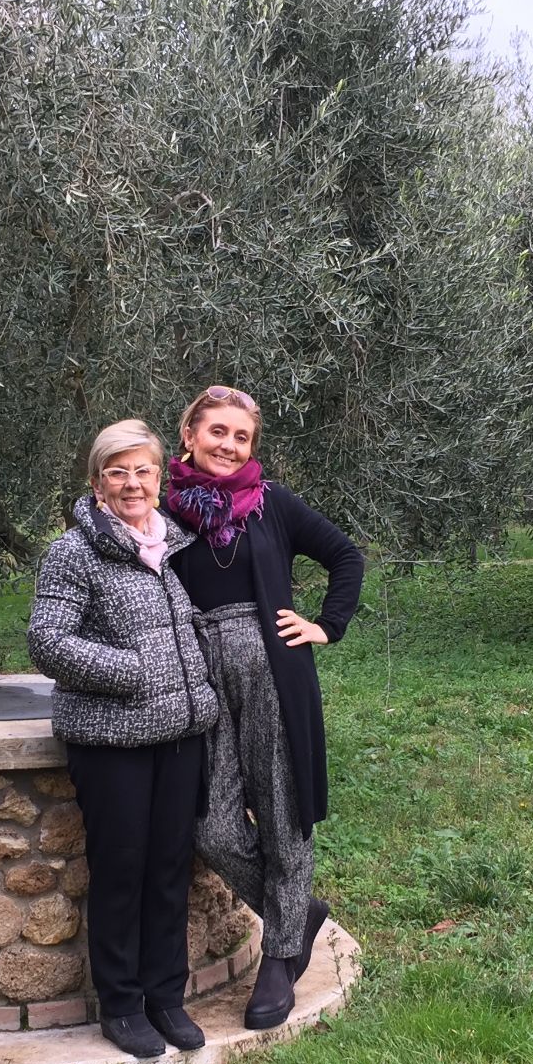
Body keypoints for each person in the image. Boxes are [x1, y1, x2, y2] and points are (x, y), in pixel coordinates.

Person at [164, 386, 363, 1029]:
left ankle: (279, 960)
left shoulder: (271, 504)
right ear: (189, 434)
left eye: (241, 436)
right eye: (216, 431)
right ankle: (297, 913)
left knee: (282, 809)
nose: (228, 445)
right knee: (212, 826)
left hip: (274, 672)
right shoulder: (163, 513)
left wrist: (326, 625)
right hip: (198, 679)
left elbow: (344, 556)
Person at [27, 419, 220, 1059]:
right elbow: (48, 641)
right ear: (97, 482)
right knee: (122, 871)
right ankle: (121, 1005)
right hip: (113, 741)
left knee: (169, 869)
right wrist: (133, 671)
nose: (132, 483)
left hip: (180, 733)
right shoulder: (74, 552)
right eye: (118, 471)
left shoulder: (176, 546)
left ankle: (166, 997)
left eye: (143, 470)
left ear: (160, 480)